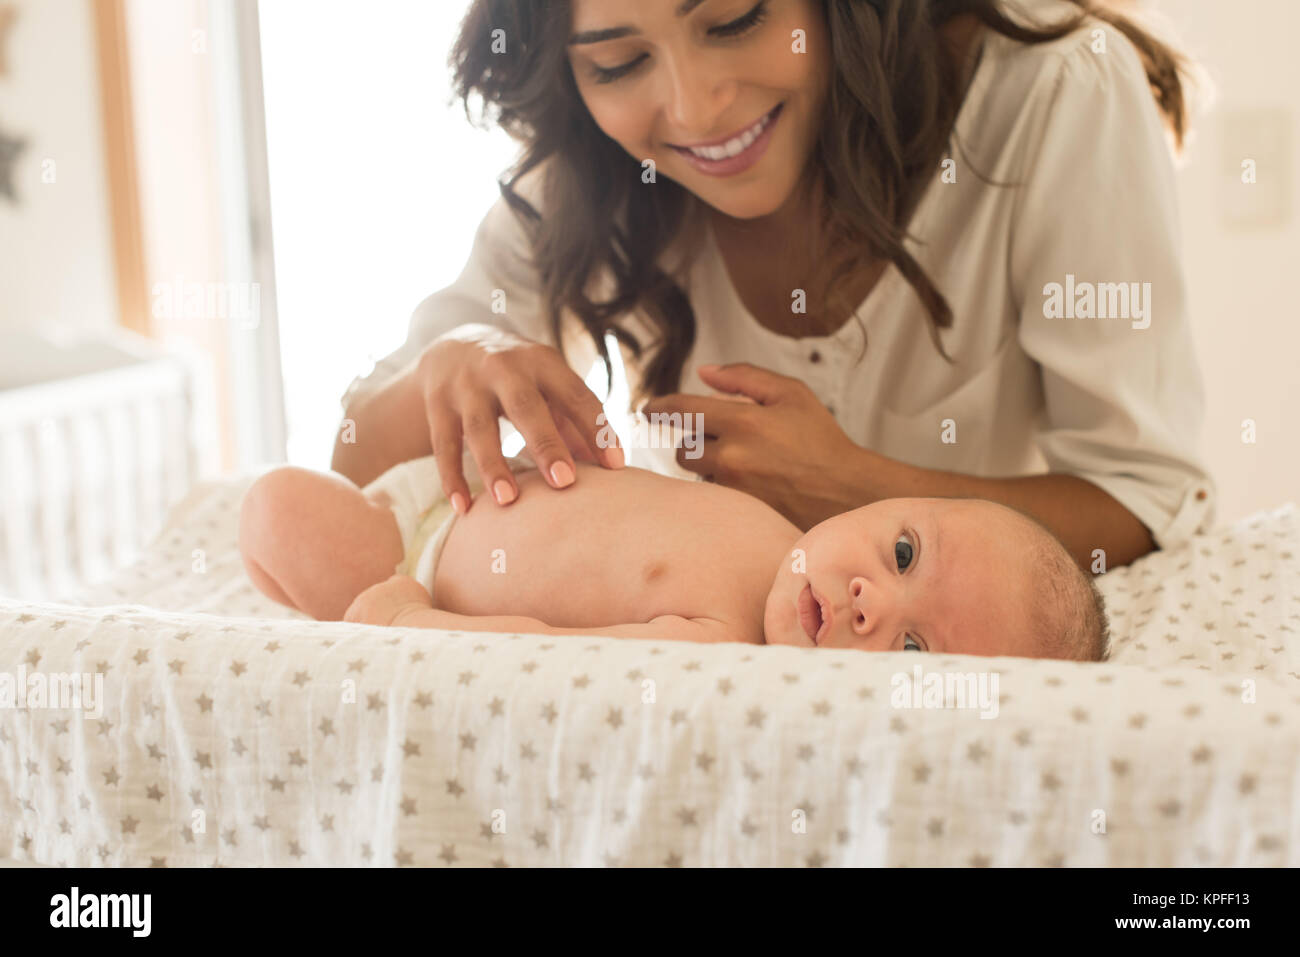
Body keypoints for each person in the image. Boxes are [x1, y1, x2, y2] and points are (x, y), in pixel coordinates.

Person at [331, 0, 1216, 576]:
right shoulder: (595, 178)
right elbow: (351, 464)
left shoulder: (1057, 93)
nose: (699, 106)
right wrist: (455, 365)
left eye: (732, 18)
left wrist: (859, 485)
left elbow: (1141, 497)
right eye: (616, 64)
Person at [238, 453, 1110, 659]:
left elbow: (548, 648)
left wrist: (414, 620)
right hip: (463, 482)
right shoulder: (778, 532)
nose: (869, 598)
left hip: (414, 566)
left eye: (912, 649)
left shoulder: (718, 643)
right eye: (904, 550)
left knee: (274, 511)